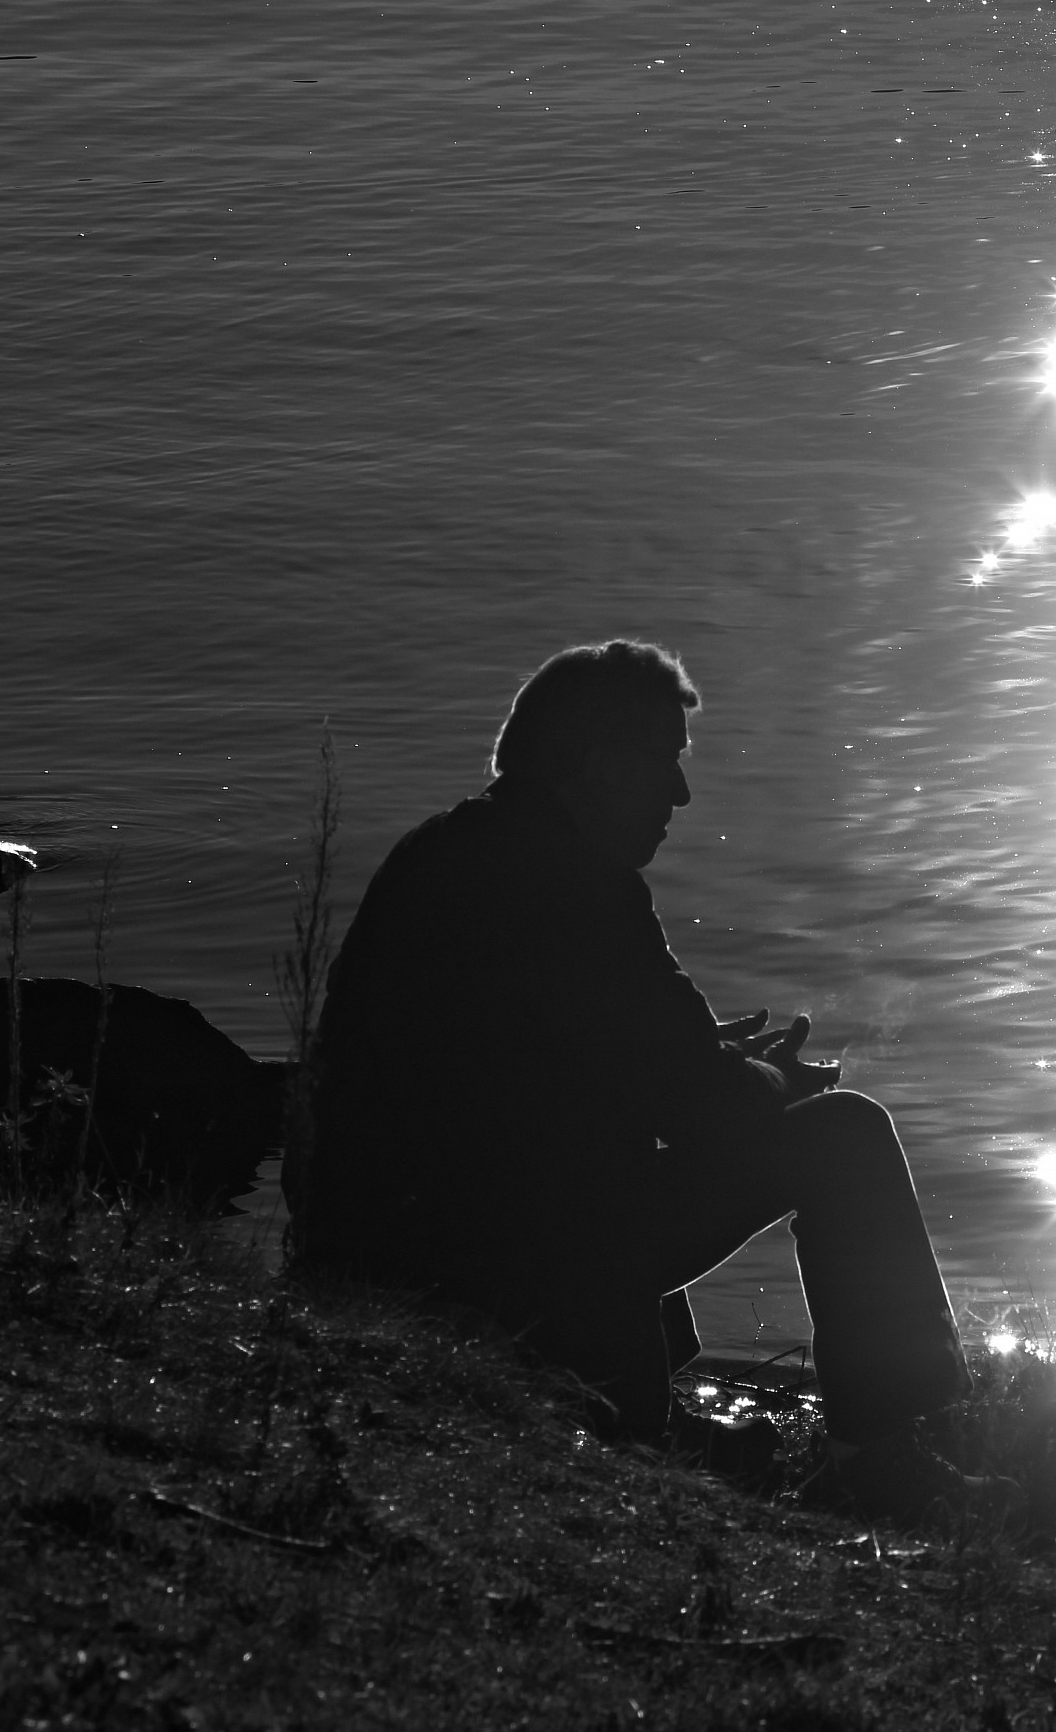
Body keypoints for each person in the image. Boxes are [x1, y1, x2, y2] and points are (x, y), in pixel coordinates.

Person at [297, 639, 1013, 1521]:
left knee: (607, 1141)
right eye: (665, 762)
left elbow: (537, 1057)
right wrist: (769, 1084)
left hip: (381, 1238)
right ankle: (883, 1458)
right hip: (497, 1257)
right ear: (596, 766)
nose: (678, 794)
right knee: (846, 1137)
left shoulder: (442, 853)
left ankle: (649, 1406)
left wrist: (693, 1057)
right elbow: (703, 1107)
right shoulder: (580, 889)